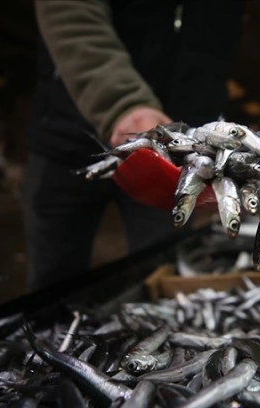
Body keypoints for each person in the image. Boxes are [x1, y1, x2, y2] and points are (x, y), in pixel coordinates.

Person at [23, 0, 243, 291]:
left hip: (177, 166)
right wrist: (122, 103)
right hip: (69, 140)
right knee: (53, 284)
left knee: (158, 279)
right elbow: (69, 12)